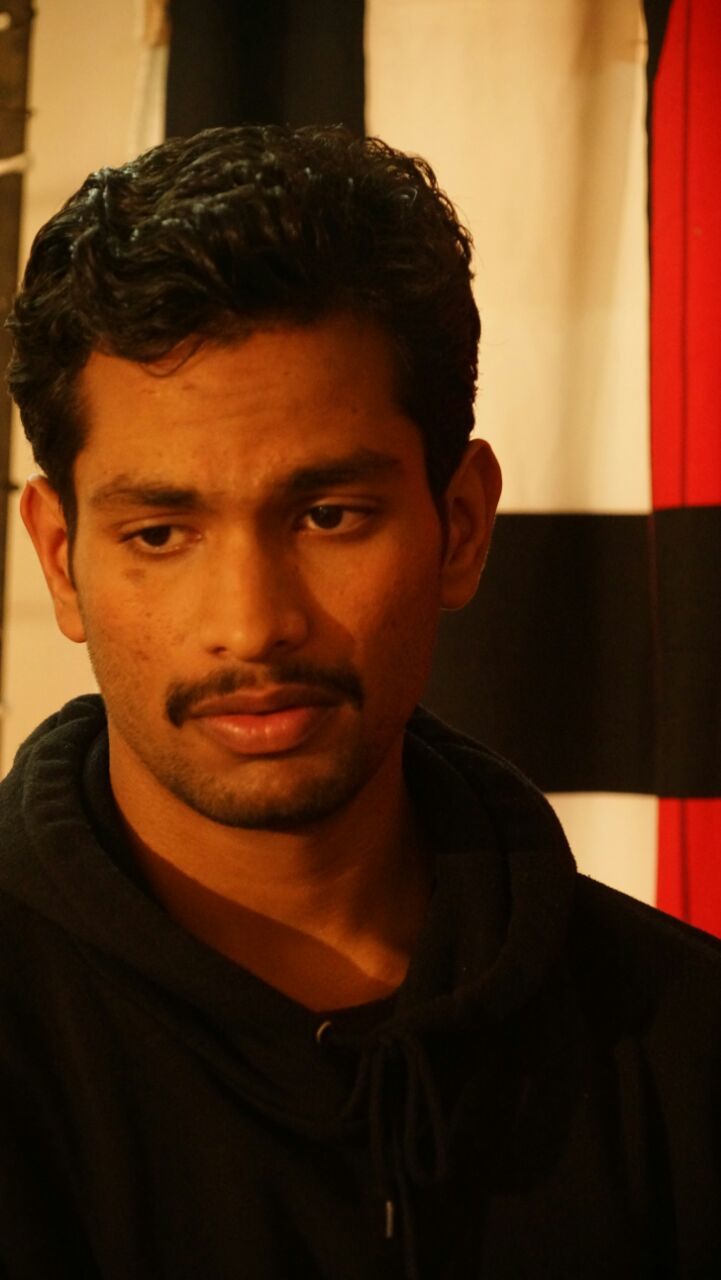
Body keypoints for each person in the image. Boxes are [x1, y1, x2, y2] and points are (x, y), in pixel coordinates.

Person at [1, 124, 719, 1280]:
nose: (253, 622)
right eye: (161, 532)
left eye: (328, 514)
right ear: (60, 558)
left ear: (461, 525)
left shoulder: (682, 1037)